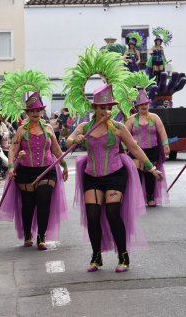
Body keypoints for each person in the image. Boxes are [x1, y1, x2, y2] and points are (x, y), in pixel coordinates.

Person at [67, 83, 162, 272]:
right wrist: (76, 139)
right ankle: (96, 255)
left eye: (109, 107)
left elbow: (134, 148)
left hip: (115, 174)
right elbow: (69, 140)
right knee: (92, 215)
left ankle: (123, 254)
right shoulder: (85, 127)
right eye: (102, 107)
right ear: (94, 108)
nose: (106, 110)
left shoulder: (118, 127)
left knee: (112, 212)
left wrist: (151, 168)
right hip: (92, 175)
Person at [0, 91, 69, 249]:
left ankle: (41, 236)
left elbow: (57, 150)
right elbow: (12, 150)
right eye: (32, 110)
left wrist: (64, 166)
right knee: (28, 205)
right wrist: (11, 167)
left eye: (38, 110)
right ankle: (28, 233)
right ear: (27, 112)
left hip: (47, 169)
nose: (35, 113)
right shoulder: (22, 131)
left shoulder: (49, 128)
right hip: (26, 171)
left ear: (42, 111)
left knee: (44, 201)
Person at [125, 89, 170, 207]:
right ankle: (139, 198)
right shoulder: (131, 119)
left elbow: (162, 131)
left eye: (146, 104)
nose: (144, 106)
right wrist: (125, 148)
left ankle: (150, 197)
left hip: (152, 150)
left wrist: (166, 145)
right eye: (141, 105)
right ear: (137, 106)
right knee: (137, 174)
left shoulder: (155, 117)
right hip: (136, 152)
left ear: (148, 104)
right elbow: (124, 135)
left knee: (151, 175)